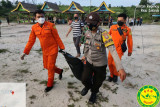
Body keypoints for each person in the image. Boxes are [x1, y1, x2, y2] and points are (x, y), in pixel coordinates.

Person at [81, 12, 126, 104]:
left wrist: (120, 67)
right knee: (84, 79)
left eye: (92, 23)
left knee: (98, 81)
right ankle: (88, 86)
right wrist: (84, 56)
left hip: (100, 64)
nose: (89, 25)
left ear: (98, 23)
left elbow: (113, 50)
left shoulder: (104, 34)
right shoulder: (87, 32)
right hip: (89, 61)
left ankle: (94, 93)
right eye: (88, 23)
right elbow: (86, 46)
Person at [20, 10, 65, 92]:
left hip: (53, 49)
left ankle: (50, 84)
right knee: (47, 66)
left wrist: (62, 47)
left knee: (50, 67)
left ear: (45, 17)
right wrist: (25, 52)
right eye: (39, 17)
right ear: (35, 18)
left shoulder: (51, 25)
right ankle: (60, 71)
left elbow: (57, 37)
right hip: (44, 50)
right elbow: (31, 41)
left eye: (42, 16)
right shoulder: (34, 28)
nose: (41, 18)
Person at [108, 13, 133, 83]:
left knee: (115, 63)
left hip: (119, 50)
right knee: (109, 63)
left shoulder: (128, 29)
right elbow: (107, 35)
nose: (119, 21)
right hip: (112, 48)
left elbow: (130, 41)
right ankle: (111, 75)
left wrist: (130, 50)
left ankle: (115, 75)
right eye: (118, 20)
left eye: (121, 20)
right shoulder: (112, 27)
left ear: (125, 20)